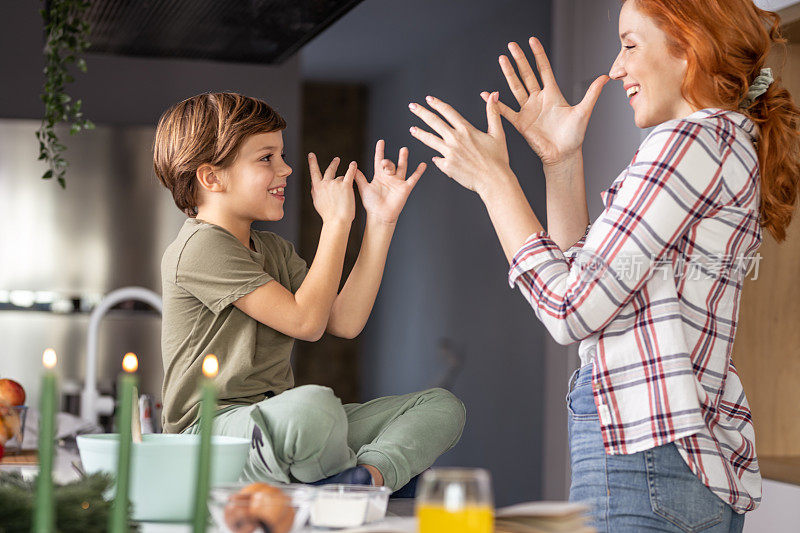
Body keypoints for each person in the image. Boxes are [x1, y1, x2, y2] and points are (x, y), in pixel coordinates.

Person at [408, 0, 800, 530]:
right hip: (679, 462)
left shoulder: (686, 142)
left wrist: (494, 182)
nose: (616, 67)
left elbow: (570, 310)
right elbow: (589, 287)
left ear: (689, 49)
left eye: (630, 45)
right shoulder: (723, 142)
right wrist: (560, 163)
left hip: (647, 460)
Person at [153, 92, 466, 492]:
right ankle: (341, 476)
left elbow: (344, 321)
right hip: (207, 437)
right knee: (314, 408)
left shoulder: (273, 250)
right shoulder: (200, 247)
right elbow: (306, 322)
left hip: (275, 426)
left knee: (441, 407)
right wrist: (335, 223)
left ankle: (361, 479)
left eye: (281, 155)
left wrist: (380, 221)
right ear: (211, 177)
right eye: (266, 158)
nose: (285, 169)